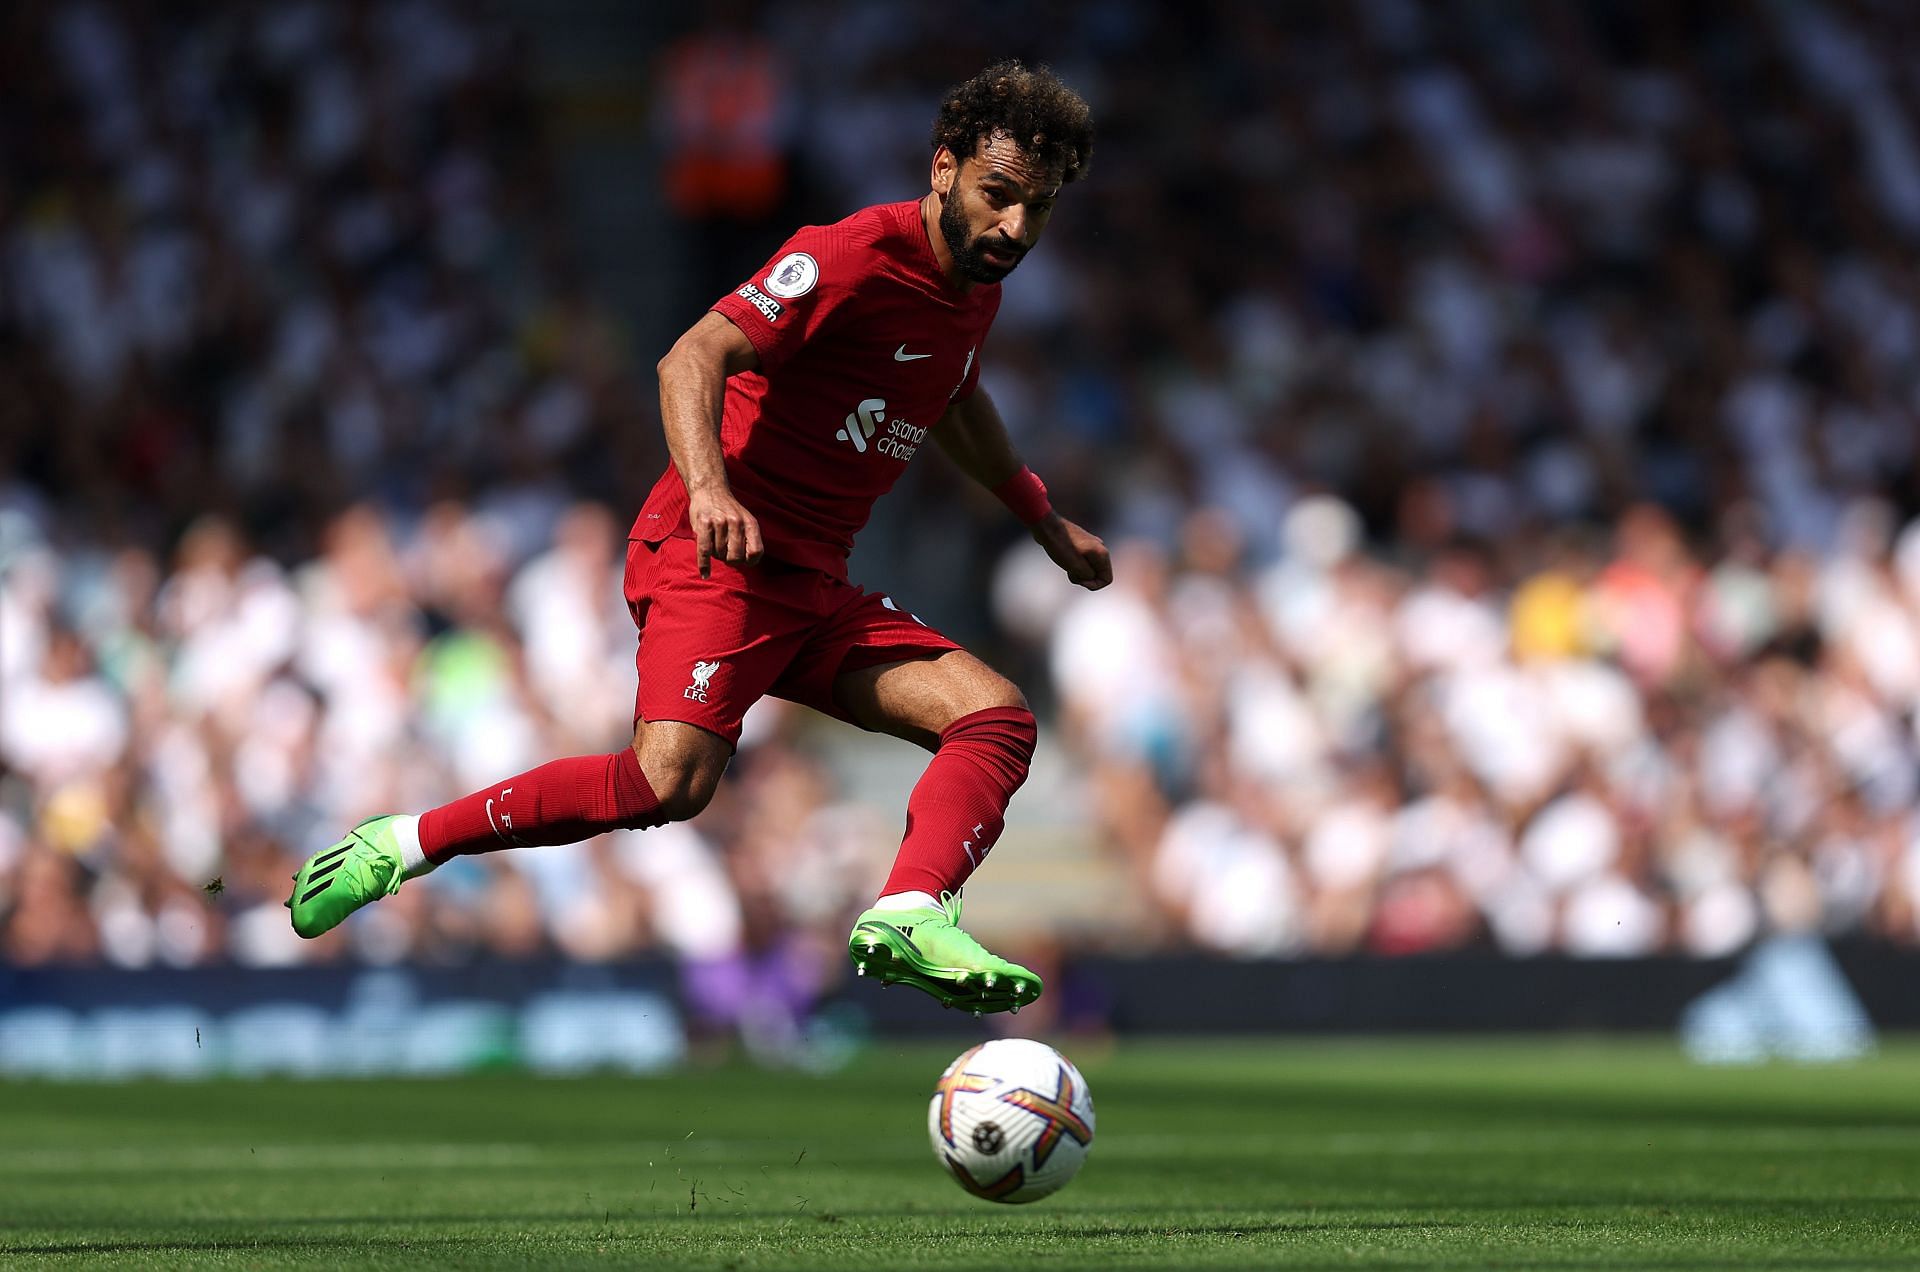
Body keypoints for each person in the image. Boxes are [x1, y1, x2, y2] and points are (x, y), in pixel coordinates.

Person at [286, 61, 1109, 1017]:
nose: (1015, 227)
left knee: (995, 718)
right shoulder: (849, 255)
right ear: (943, 170)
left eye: (1036, 210)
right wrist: (711, 487)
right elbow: (694, 353)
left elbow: (954, 395)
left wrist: (1040, 517)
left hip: (809, 581)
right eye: (998, 196)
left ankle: (912, 908)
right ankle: (406, 843)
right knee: (668, 783)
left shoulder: (974, 286)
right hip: (716, 555)